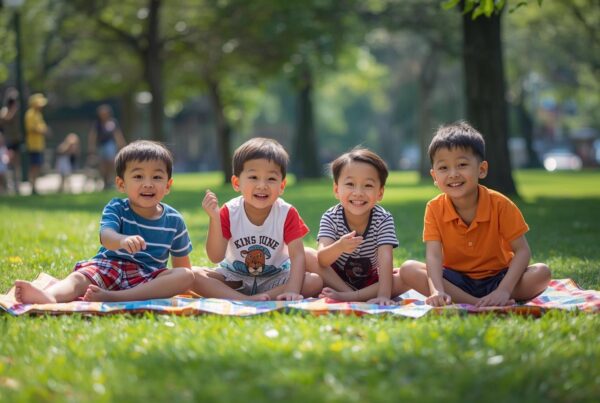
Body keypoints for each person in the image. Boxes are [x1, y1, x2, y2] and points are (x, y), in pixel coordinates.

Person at [13, 140, 194, 303]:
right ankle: (50, 296)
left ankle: (116, 298)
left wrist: (181, 279)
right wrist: (122, 240)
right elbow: (106, 236)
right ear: (121, 184)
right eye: (138, 176)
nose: (148, 184)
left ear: (168, 185)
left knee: (186, 275)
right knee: (79, 278)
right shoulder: (117, 208)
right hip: (109, 267)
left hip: (146, 279)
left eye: (157, 177)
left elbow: (182, 268)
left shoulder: (174, 220)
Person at [401, 121, 551, 307]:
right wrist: (437, 290)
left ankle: (495, 298)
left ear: (482, 169)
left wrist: (503, 290)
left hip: (498, 278)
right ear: (434, 177)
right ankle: (477, 303)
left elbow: (522, 251)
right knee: (408, 269)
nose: (453, 174)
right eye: (443, 168)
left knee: (542, 272)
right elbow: (433, 256)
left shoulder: (500, 204)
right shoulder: (434, 208)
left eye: (462, 164)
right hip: (456, 281)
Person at [192, 137, 323, 301]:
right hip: (233, 277)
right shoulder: (229, 211)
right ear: (236, 182)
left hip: (274, 278)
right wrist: (214, 218)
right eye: (253, 177)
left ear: (282, 186)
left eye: (271, 179)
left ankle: (260, 297)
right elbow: (215, 257)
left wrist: (292, 290)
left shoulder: (286, 212)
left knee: (314, 281)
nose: (262, 185)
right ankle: (243, 298)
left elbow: (297, 256)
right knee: (194, 275)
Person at [308, 148, 407, 305]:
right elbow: (322, 260)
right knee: (307, 254)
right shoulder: (331, 217)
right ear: (336, 190)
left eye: (368, 185)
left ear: (380, 193)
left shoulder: (383, 219)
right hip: (335, 280)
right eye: (350, 184)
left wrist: (383, 295)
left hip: (370, 281)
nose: (358, 192)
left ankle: (352, 296)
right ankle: (349, 294)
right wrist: (339, 247)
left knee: (406, 275)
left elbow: (386, 258)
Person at [88, 104, 126, 189]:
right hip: (101, 145)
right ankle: (105, 181)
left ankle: (110, 180)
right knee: (102, 164)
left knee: (111, 162)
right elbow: (93, 136)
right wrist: (92, 148)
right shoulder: (97, 124)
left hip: (110, 145)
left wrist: (122, 146)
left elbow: (117, 134)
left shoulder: (113, 122)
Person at [25, 93, 49, 195]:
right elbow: (31, 128)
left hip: (39, 145)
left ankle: (35, 186)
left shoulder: (38, 114)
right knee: (34, 166)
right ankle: (32, 187)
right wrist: (43, 130)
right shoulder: (30, 114)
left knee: (37, 166)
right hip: (33, 145)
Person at [0, 88, 22, 194]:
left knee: (16, 164)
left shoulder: (17, 111)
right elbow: (5, 119)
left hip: (15, 139)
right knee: (8, 162)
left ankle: (17, 185)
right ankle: (8, 186)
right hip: (7, 141)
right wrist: (13, 111)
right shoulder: (5, 110)